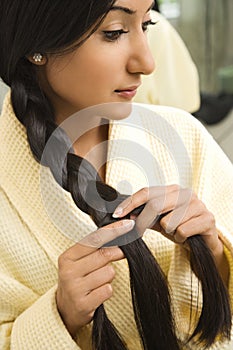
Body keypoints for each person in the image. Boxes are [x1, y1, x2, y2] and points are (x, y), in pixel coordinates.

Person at [0, 1, 232, 349]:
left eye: (146, 26)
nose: (148, 63)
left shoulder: (185, 136)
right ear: (38, 45)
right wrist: (59, 316)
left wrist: (212, 253)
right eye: (114, 32)